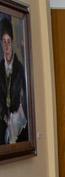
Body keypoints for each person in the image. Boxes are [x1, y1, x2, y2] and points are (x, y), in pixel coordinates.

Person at [0, 17, 27, 145]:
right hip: (2, 121)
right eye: (3, 42)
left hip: (17, 122)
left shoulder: (20, 68)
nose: (6, 46)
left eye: (8, 42)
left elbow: (23, 96)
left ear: (12, 43)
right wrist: (4, 116)